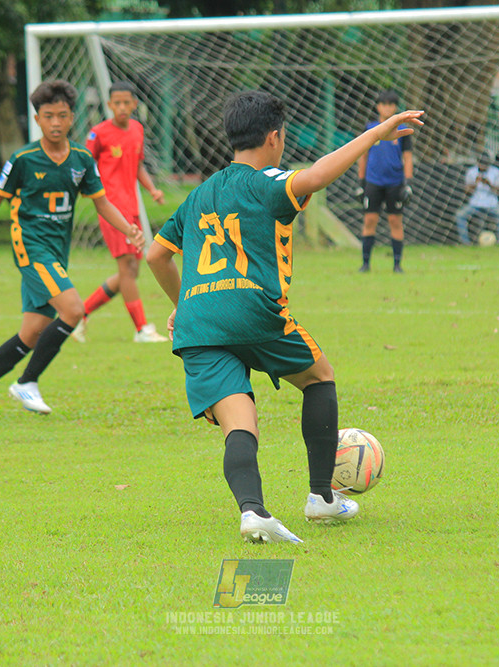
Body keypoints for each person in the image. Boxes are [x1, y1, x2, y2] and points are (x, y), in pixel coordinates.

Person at [147, 90, 424, 543]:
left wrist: (184, 302)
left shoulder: (198, 195)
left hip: (198, 325)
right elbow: (317, 175)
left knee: (239, 422)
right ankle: (322, 497)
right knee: (319, 376)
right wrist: (376, 134)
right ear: (274, 137)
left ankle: (253, 512)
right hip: (253, 311)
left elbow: (156, 256)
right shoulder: (267, 181)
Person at [0, 80, 143, 418]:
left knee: (32, 332)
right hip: (31, 248)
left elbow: (101, 203)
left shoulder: (82, 159)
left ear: (72, 119)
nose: (55, 123)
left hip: (56, 251)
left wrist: (128, 228)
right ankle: (27, 382)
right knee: (73, 310)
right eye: (48, 116)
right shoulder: (24, 159)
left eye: (62, 116)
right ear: (37, 119)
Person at [71, 81, 168, 344]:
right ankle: (141, 329)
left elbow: (137, 165)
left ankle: (80, 315)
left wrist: (152, 189)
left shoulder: (137, 129)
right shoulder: (98, 134)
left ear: (135, 104)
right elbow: (84, 165)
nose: (122, 107)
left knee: (131, 272)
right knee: (127, 268)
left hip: (132, 209)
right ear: (109, 105)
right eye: (117, 103)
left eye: (127, 102)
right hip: (111, 210)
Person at [357, 89, 413, 273]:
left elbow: (408, 157)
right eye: (384, 104)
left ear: (395, 107)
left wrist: (408, 183)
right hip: (373, 182)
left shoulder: (403, 131)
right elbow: (363, 155)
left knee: (395, 221)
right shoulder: (370, 128)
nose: (387, 108)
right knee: (369, 220)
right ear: (378, 107)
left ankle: (397, 265)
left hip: (395, 183)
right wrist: (361, 182)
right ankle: (365, 264)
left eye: (391, 104)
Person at [455, 152, 499, 245]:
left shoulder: (495, 171)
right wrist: (475, 183)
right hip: (475, 203)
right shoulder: (471, 171)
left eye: (485, 164)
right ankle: (465, 243)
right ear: (478, 163)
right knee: (460, 215)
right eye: (481, 163)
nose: (483, 166)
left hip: (491, 204)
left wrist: (489, 184)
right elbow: (466, 190)